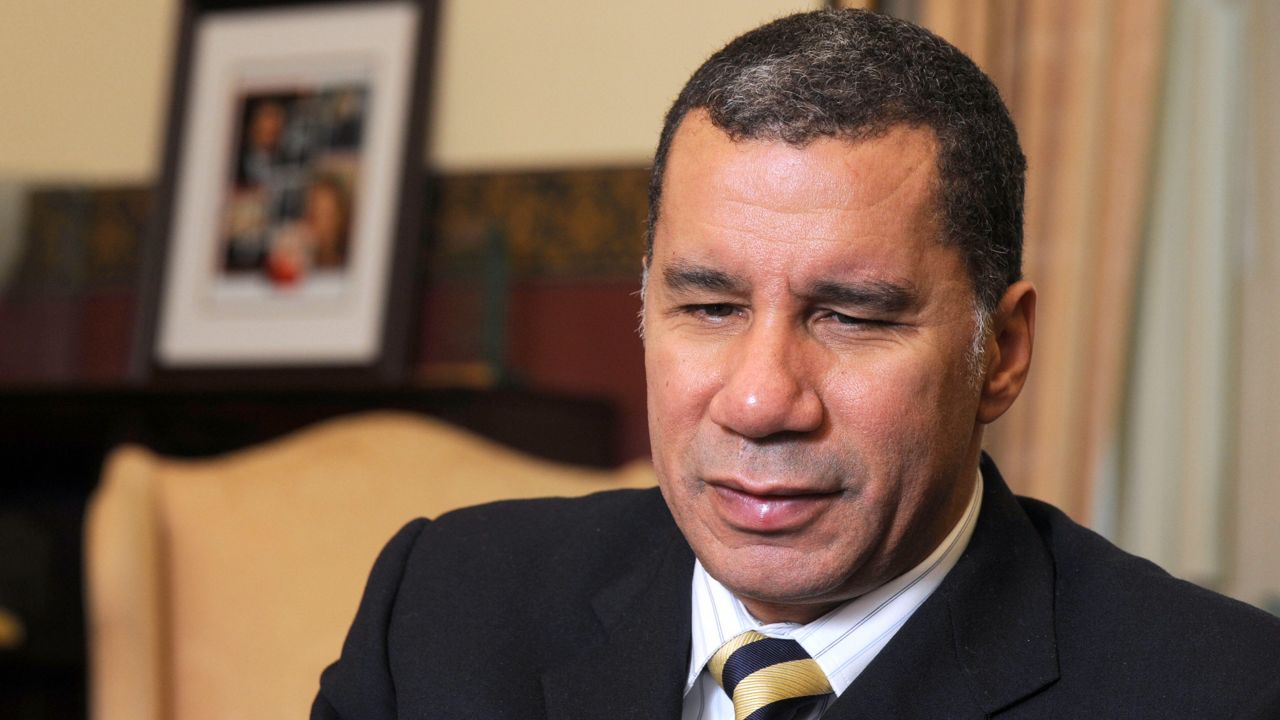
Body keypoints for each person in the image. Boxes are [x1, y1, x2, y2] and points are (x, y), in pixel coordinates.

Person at [312, 9, 1280, 719]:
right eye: (709, 306)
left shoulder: (1216, 689)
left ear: (1002, 352)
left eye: (850, 315)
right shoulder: (442, 604)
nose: (760, 398)